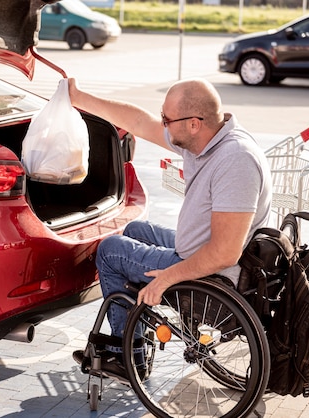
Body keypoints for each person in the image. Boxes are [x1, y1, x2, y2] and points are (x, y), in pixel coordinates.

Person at [69, 77, 273, 382]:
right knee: (135, 229)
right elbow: (140, 121)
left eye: (167, 119)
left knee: (111, 251)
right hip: (199, 250)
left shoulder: (235, 161)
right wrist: (79, 97)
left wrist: (168, 278)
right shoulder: (206, 140)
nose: (162, 124)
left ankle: (131, 356)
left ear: (193, 123)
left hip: (215, 275)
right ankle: (136, 328)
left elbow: (226, 252)